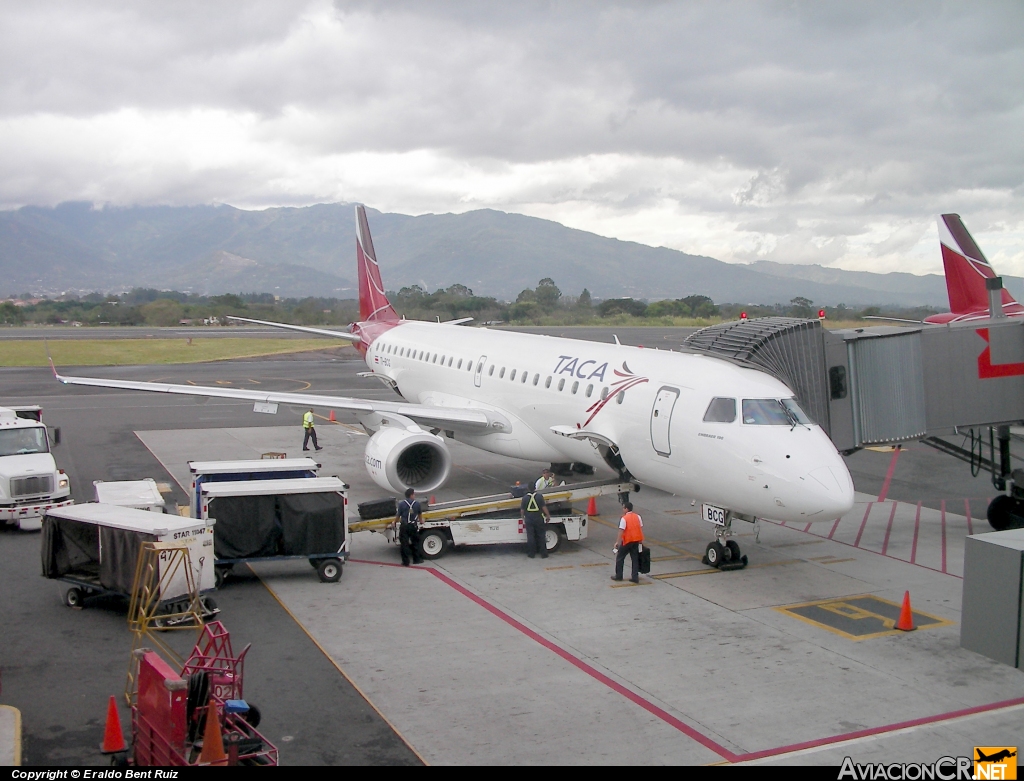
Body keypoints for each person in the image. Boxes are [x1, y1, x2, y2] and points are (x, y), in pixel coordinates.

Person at [612, 501, 644, 583]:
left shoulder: (624, 518)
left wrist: (617, 542)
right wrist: (640, 541)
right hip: (636, 540)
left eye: (623, 508)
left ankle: (619, 575)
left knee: (620, 558)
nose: (623, 509)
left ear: (626, 509)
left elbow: (621, 531)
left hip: (627, 541)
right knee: (635, 559)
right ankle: (635, 577)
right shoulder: (638, 517)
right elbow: (640, 528)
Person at [395, 488, 424, 566]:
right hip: (413, 526)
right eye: (414, 494)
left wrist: (394, 522)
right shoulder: (417, 504)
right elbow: (420, 514)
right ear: (411, 495)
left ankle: (405, 562)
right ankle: (416, 559)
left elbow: (398, 515)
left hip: (404, 526)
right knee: (415, 543)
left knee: (404, 544)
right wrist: (421, 521)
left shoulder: (401, 504)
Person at [520, 487, 552, 559]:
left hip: (529, 519)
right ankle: (544, 554)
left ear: (528, 489)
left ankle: (531, 554)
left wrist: (523, 518)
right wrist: (548, 515)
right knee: (541, 536)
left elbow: (522, 510)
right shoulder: (539, 497)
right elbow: (544, 507)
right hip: (538, 519)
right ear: (535, 488)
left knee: (530, 537)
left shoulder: (524, 498)